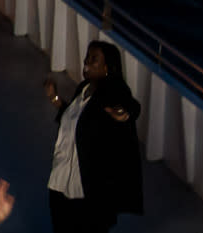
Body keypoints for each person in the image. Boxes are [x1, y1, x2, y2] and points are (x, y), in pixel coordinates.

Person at [42, 40, 143, 233]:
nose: (86, 61)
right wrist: (54, 98)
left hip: (88, 185)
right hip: (61, 178)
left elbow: (131, 105)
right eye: (87, 56)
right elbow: (77, 120)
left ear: (107, 68)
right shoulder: (84, 89)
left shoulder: (113, 90)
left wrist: (124, 112)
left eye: (93, 59)